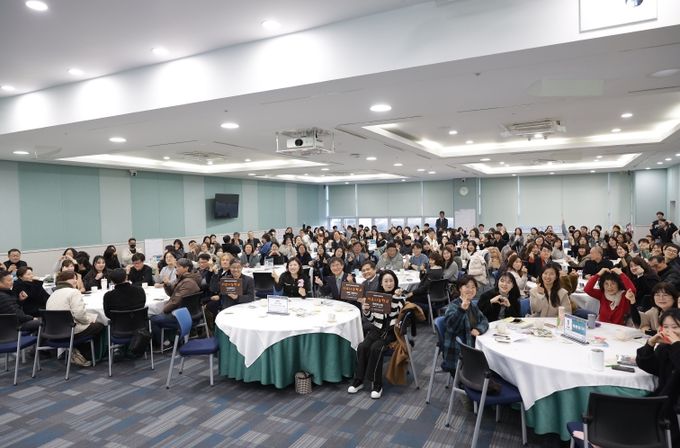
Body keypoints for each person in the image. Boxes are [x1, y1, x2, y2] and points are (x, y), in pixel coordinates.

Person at [348, 270, 406, 399]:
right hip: (377, 329)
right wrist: (366, 310)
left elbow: (395, 315)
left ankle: (377, 384)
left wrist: (395, 297)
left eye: (391, 281)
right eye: (386, 281)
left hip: (390, 332)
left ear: (395, 282)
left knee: (376, 348)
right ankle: (359, 380)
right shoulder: (377, 297)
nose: (389, 283)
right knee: (362, 346)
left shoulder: (400, 298)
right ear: (381, 283)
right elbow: (373, 319)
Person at [636, 308, 680, 444]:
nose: (669, 331)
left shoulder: (674, 348)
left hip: (674, 412)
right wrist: (650, 343)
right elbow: (648, 365)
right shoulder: (665, 348)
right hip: (660, 404)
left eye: (675, 327)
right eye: (665, 327)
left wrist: (676, 345)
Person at [46, 271, 105, 366]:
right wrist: (89, 321)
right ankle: (89, 355)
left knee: (89, 321)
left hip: (53, 331)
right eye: (73, 278)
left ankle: (76, 351)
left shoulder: (53, 294)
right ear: (65, 280)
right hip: (70, 330)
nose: (76, 281)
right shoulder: (73, 292)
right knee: (100, 325)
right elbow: (79, 314)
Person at [442, 276, 489, 371]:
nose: (470, 290)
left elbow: (484, 320)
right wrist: (462, 309)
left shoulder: (472, 305)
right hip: (459, 355)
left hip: (472, 346)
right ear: (460, 288)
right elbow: (452, 327)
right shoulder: (453, 306)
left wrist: (478, 329)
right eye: (467, 287)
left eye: (473, 287)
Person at [150, 258, 201, 345]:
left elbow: (176, 301)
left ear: (186, 268)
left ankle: (164, 343)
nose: (176, 268)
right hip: (188, 312)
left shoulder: (188, 282)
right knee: (158, 315)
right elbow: (172, 293)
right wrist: (167, 284)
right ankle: (169, 339)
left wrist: (164, 310)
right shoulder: (184, 278)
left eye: (178, 267)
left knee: (153, 319)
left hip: (183, 316)